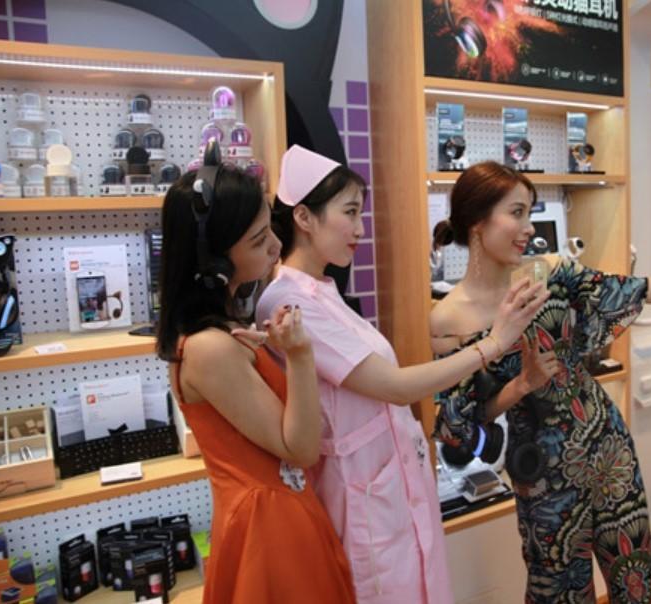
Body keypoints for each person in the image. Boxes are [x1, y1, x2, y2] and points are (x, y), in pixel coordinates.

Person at [430, 161, 651, 603]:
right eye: (517, 213)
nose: (529, 227)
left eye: (530, 213)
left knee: (635, 580)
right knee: (558, 591)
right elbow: (463, 423)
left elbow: (647, 289)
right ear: (477, 222)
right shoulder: (448, 318)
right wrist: (522, 384)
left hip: (607, 446)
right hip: (541, 472)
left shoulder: (552, 272)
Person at [255, 145, 549, 603]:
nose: (360, 228)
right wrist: (494, 343)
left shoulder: (323, 291)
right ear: (304, 217)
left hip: (393, 480)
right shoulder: (288, 303)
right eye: (350, 213)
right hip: (362, 493)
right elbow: (392, 387)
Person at [156, 156, 356, 603]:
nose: (276, 246)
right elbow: (299, 448)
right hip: (270, 531)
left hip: (279, 515)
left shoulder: (222, 332)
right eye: (259, 240)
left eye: (270, 231)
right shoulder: (210, 347)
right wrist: (300, 355)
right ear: (214, 261)